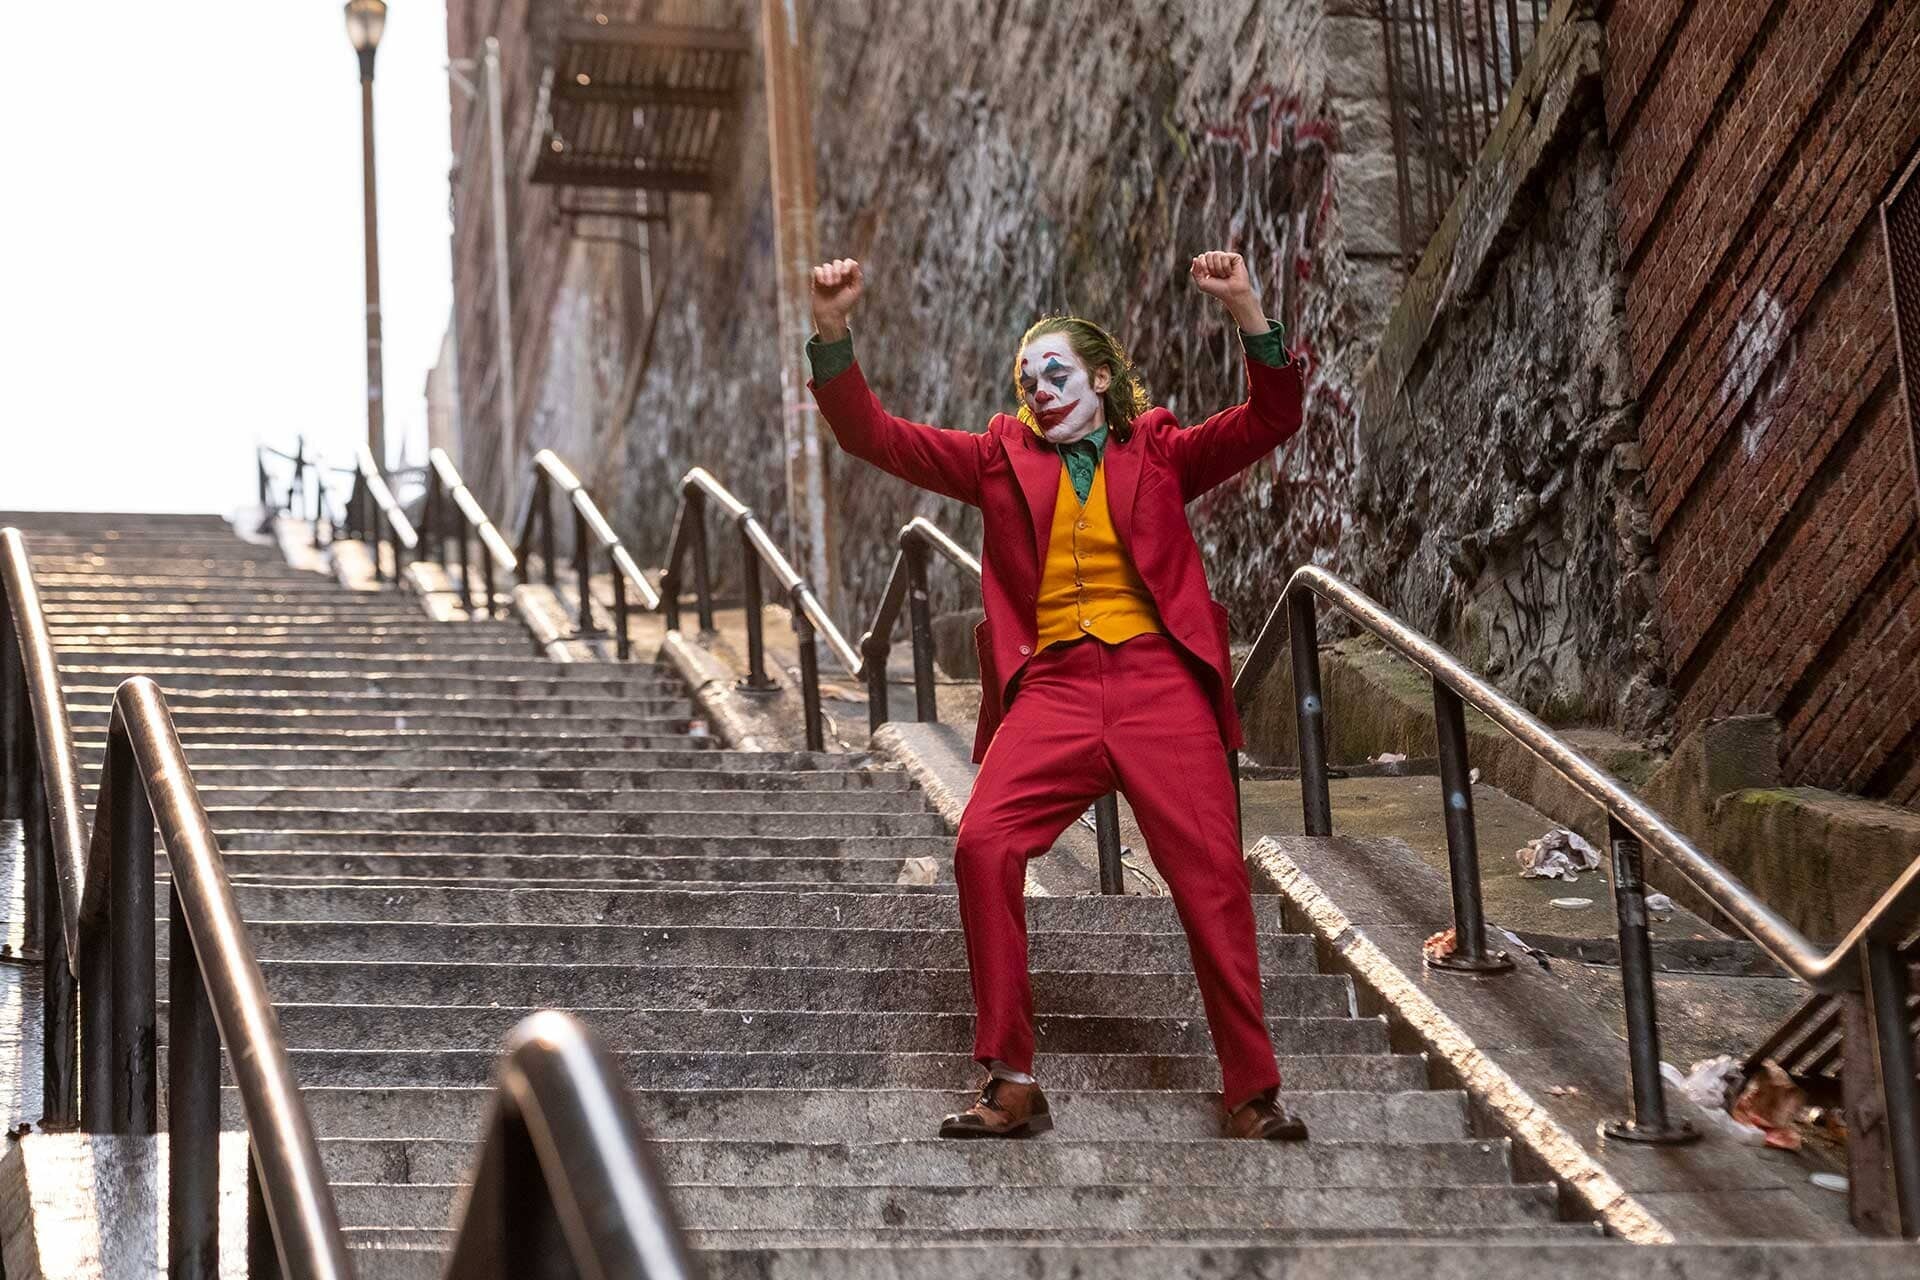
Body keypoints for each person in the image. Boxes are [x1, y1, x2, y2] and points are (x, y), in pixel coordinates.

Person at [805, 251, 1308, 1141]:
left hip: (1160, 684)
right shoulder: (999, 456)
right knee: (984, 843)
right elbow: (873, 436)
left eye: (1057, 373)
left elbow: (1271, 417)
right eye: (1027, 379)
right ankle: (1012, 1078)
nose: (1039, 390)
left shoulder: (1155, 448)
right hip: (1055, 689)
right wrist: (834, 333)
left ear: (1102, 378)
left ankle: (1251, 1089)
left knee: (1213, 878)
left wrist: (1247, 310)